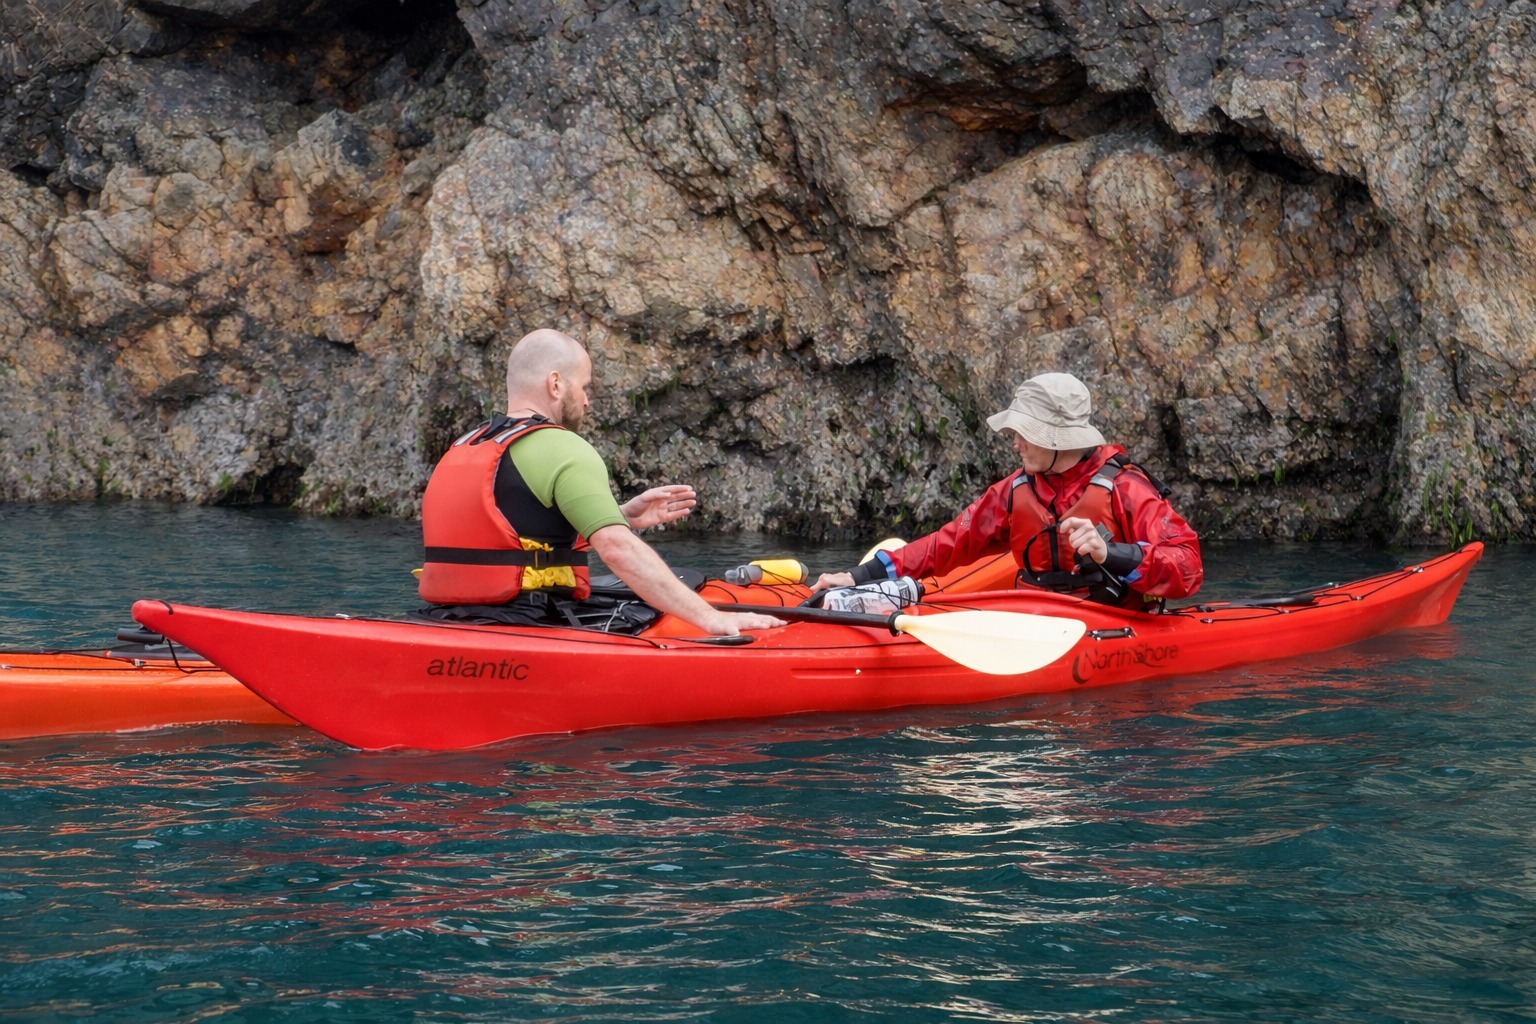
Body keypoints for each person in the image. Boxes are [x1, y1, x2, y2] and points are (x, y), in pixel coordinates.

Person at [418, 328, 785, 637]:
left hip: (445, 620)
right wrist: (711, 618)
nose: (587, 401)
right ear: (557, 383)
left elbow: (514, 534)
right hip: (527, 623)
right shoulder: (563, 446)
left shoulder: (465, 445)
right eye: (584, 386)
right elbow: (618, 550)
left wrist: (620, 515)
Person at [812, 372, 1203, 609]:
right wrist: (858, 576)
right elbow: (945, 544)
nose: (1015, 444)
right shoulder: (1015, 490)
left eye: (1023, 433)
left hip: (1111, 623)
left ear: (1057, 439)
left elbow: (1187, 566)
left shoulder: (1126, 487)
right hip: (1034, 614)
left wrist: (1111, 553)